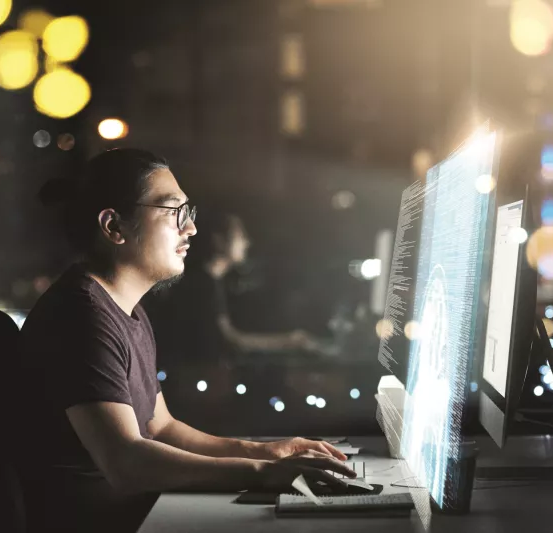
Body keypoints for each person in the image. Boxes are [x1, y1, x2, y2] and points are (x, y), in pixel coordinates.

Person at [18, 148, 354, 532]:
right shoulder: (80, 317)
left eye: (188, 213)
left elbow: (161, 428)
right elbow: (126, 463)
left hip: (142, 514)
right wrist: (262, 473)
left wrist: (265, 453)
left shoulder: (129, 312)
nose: (191, 228)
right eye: (174, 211)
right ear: (114, 227)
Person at [151, 211, 320, 370]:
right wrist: (289, 342)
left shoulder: (212, 281)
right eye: (240, 235)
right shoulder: (202, 284)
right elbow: (230, 340)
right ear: (219, 240)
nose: (247, 242)